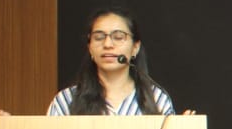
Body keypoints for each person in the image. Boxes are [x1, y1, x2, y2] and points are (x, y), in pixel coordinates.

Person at [48, 8, 178, 115]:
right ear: (90, 47)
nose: (108, 44)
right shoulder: (66, 101)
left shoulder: (157, 99)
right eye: (99, 37)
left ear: (135, 47)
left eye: (118, 37)